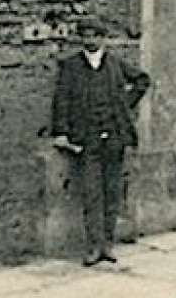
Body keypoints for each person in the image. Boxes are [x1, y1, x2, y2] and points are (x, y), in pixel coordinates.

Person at [50, 16, 150, 266]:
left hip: (114, 137)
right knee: (92, 192)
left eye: (95, 35)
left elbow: (142, 80)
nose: (90, 39)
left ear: (102, 38)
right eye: (85, 35)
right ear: (81, 38)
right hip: (87, 139)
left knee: (112, 192)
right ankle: (93, 246)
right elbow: (61, 100)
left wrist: (123, 106)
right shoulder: (71, 66)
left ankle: (108, 244)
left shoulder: (115, 64)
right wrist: (61, 132)